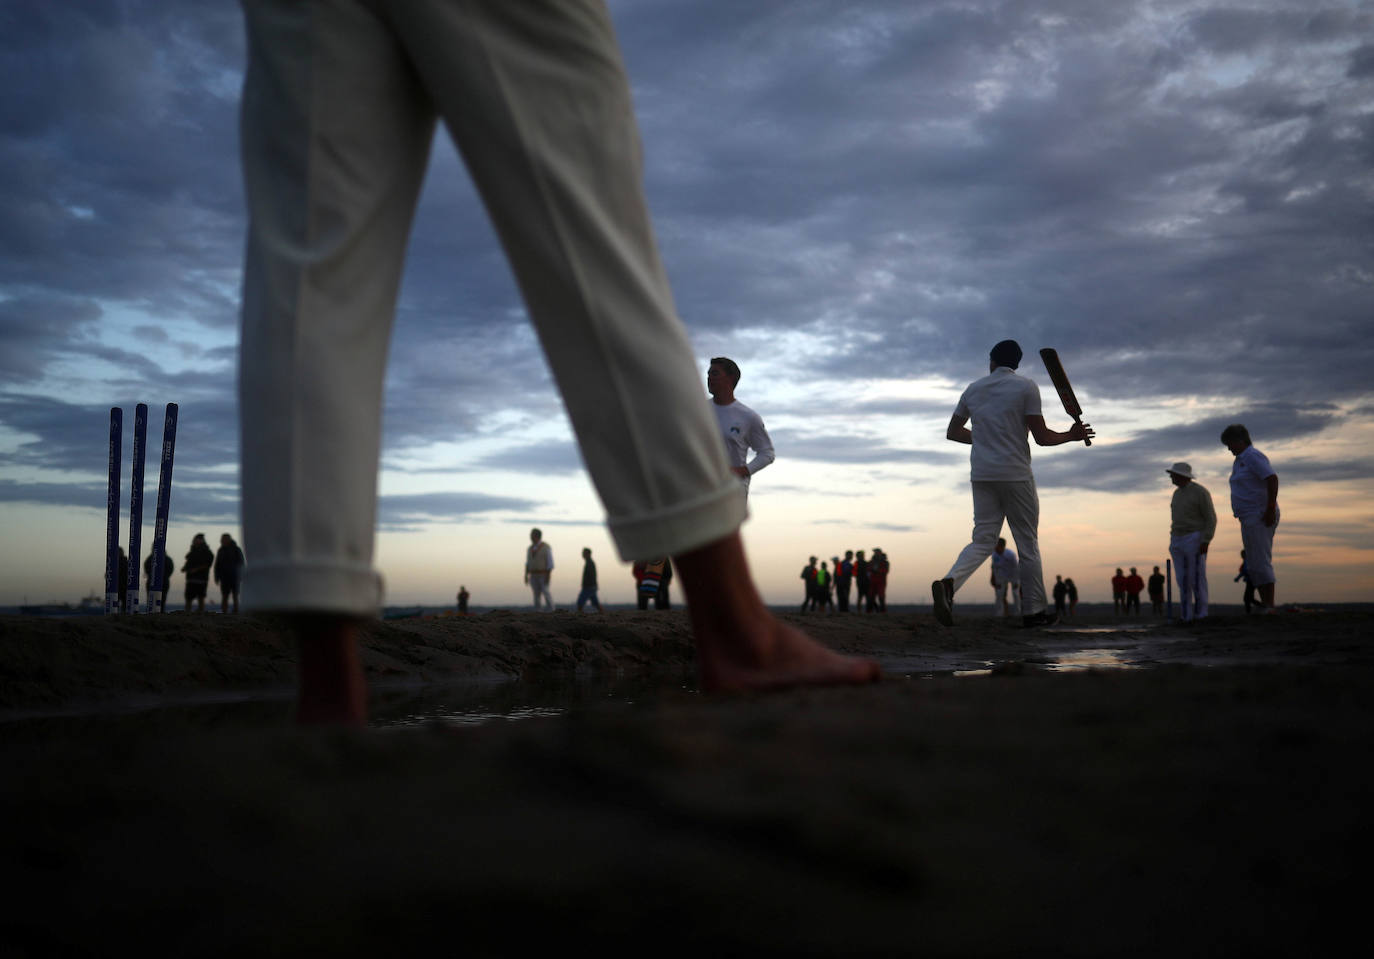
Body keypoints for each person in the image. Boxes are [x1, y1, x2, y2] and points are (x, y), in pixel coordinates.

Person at [236, 0, 879, 724]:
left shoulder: (747, 415)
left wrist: (747, 469)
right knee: (586, 206)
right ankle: (738, 633)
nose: (717, 381)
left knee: (313, 248)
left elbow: (765, 449)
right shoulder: (725, 408)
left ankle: (325, 684)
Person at [930, 340, 1094, 628]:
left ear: (991, 360)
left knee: (982, 541)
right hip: (1015, 474)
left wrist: (985, 439)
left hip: (982, 474)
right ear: (1016, 364)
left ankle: (949, 585)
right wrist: (1072, 435)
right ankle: (1033, 612)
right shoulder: (1026, 387)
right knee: (1027, 544)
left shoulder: (973, 388)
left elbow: (953, 432)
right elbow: (1041, 437)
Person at [1222, 424, 1280, 611]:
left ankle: (1269, 604)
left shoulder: (1252, 456)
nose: (1228, 448)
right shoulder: (1240, 460)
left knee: (1261, 559)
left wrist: (1270, 507)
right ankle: (1265, 604)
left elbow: (1271, 478)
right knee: (1254, 562)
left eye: (1230, 444)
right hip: (1248, 516)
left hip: (1259, 514)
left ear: (1240, 440)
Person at [706, 357, 775, 498]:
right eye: (708, 374)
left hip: (733, 492)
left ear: (730, 378)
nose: (709, 378)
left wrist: (743, 470)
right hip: (701, 489)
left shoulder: (748, 417)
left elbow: (767, 453)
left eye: (714, 374)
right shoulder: (699, 409)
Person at [1166, 462, 1217, 623]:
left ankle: (1201, 614)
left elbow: (1211, 518)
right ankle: (1186, 615)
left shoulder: (1200, 492)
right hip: (1177, 538)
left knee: (1196, 577)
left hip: (1194, 537)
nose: (1171, 477)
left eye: (1173, 474)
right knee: (1182, 578)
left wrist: (1206, 540)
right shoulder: (1176, 494)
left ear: (1181, 476)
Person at [214, 533, 247, 614]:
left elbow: (241, 563)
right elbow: (217, 564)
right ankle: (224, 612)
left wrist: (241, 575)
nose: (222, 541)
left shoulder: (236, 549)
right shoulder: (221, 550)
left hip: (234, 577)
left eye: (224, 539)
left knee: (235, 595)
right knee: (225, 595)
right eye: (222, 539)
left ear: (229, 540)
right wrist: (217, 577)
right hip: (224, 577)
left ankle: (236, 611)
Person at [524, 528, 554, 611]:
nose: (530, 536)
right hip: (533, 575)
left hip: (543, 574)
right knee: (536, 595)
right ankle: (538, 612)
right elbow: (527, 563)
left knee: (546, 592)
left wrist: (548, 575)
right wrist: (526, 575)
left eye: (532, 535)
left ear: (536, 536)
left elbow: (550, 563)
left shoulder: (546, 547)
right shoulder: (530, 549)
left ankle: (551, 610)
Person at [181, 534, 212, 612]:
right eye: (195, 540)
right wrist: (185, 568)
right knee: (189, 599)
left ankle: (201, 613)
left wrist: (196, 569)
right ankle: (187, 614)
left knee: (200, 598)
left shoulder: (207, 552)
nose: (195, 541)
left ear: (202, 541)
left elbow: (207, 564)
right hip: (191, 579)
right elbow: (188, 562)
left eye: (197, 540)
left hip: (201, 579)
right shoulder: (192, 551)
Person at [990, 539, 1019, 617]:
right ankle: (999, 613)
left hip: (1013, 576)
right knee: (999, 594)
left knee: (1016, 594)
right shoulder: (994, 555)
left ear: (1002, 546)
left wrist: (1016, 582)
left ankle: (1018, 613)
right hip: (1000, 576)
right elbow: (993, 567)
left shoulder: (1011, 555)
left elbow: (1016, 568)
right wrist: (993, 578)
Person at [143, 546, 172, 613]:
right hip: (153, 581)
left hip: (162, 581)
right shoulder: (150, 558)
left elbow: (170, 568)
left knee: (161, 598)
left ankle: (159, 612)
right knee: (152, 599)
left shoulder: (165, 559)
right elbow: (146, 567)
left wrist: (164, 576)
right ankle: (152, 612)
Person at [576, 548, 603, 613]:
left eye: (584, 553)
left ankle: (579, 615)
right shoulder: (589, 563)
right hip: (591, 586)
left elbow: (592, 576)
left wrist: (589, 585)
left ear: (588, 554)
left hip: (589, 587)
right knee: (595, 602)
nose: (582, 555)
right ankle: (602, 612)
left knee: (580, 601)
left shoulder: (590, 563)